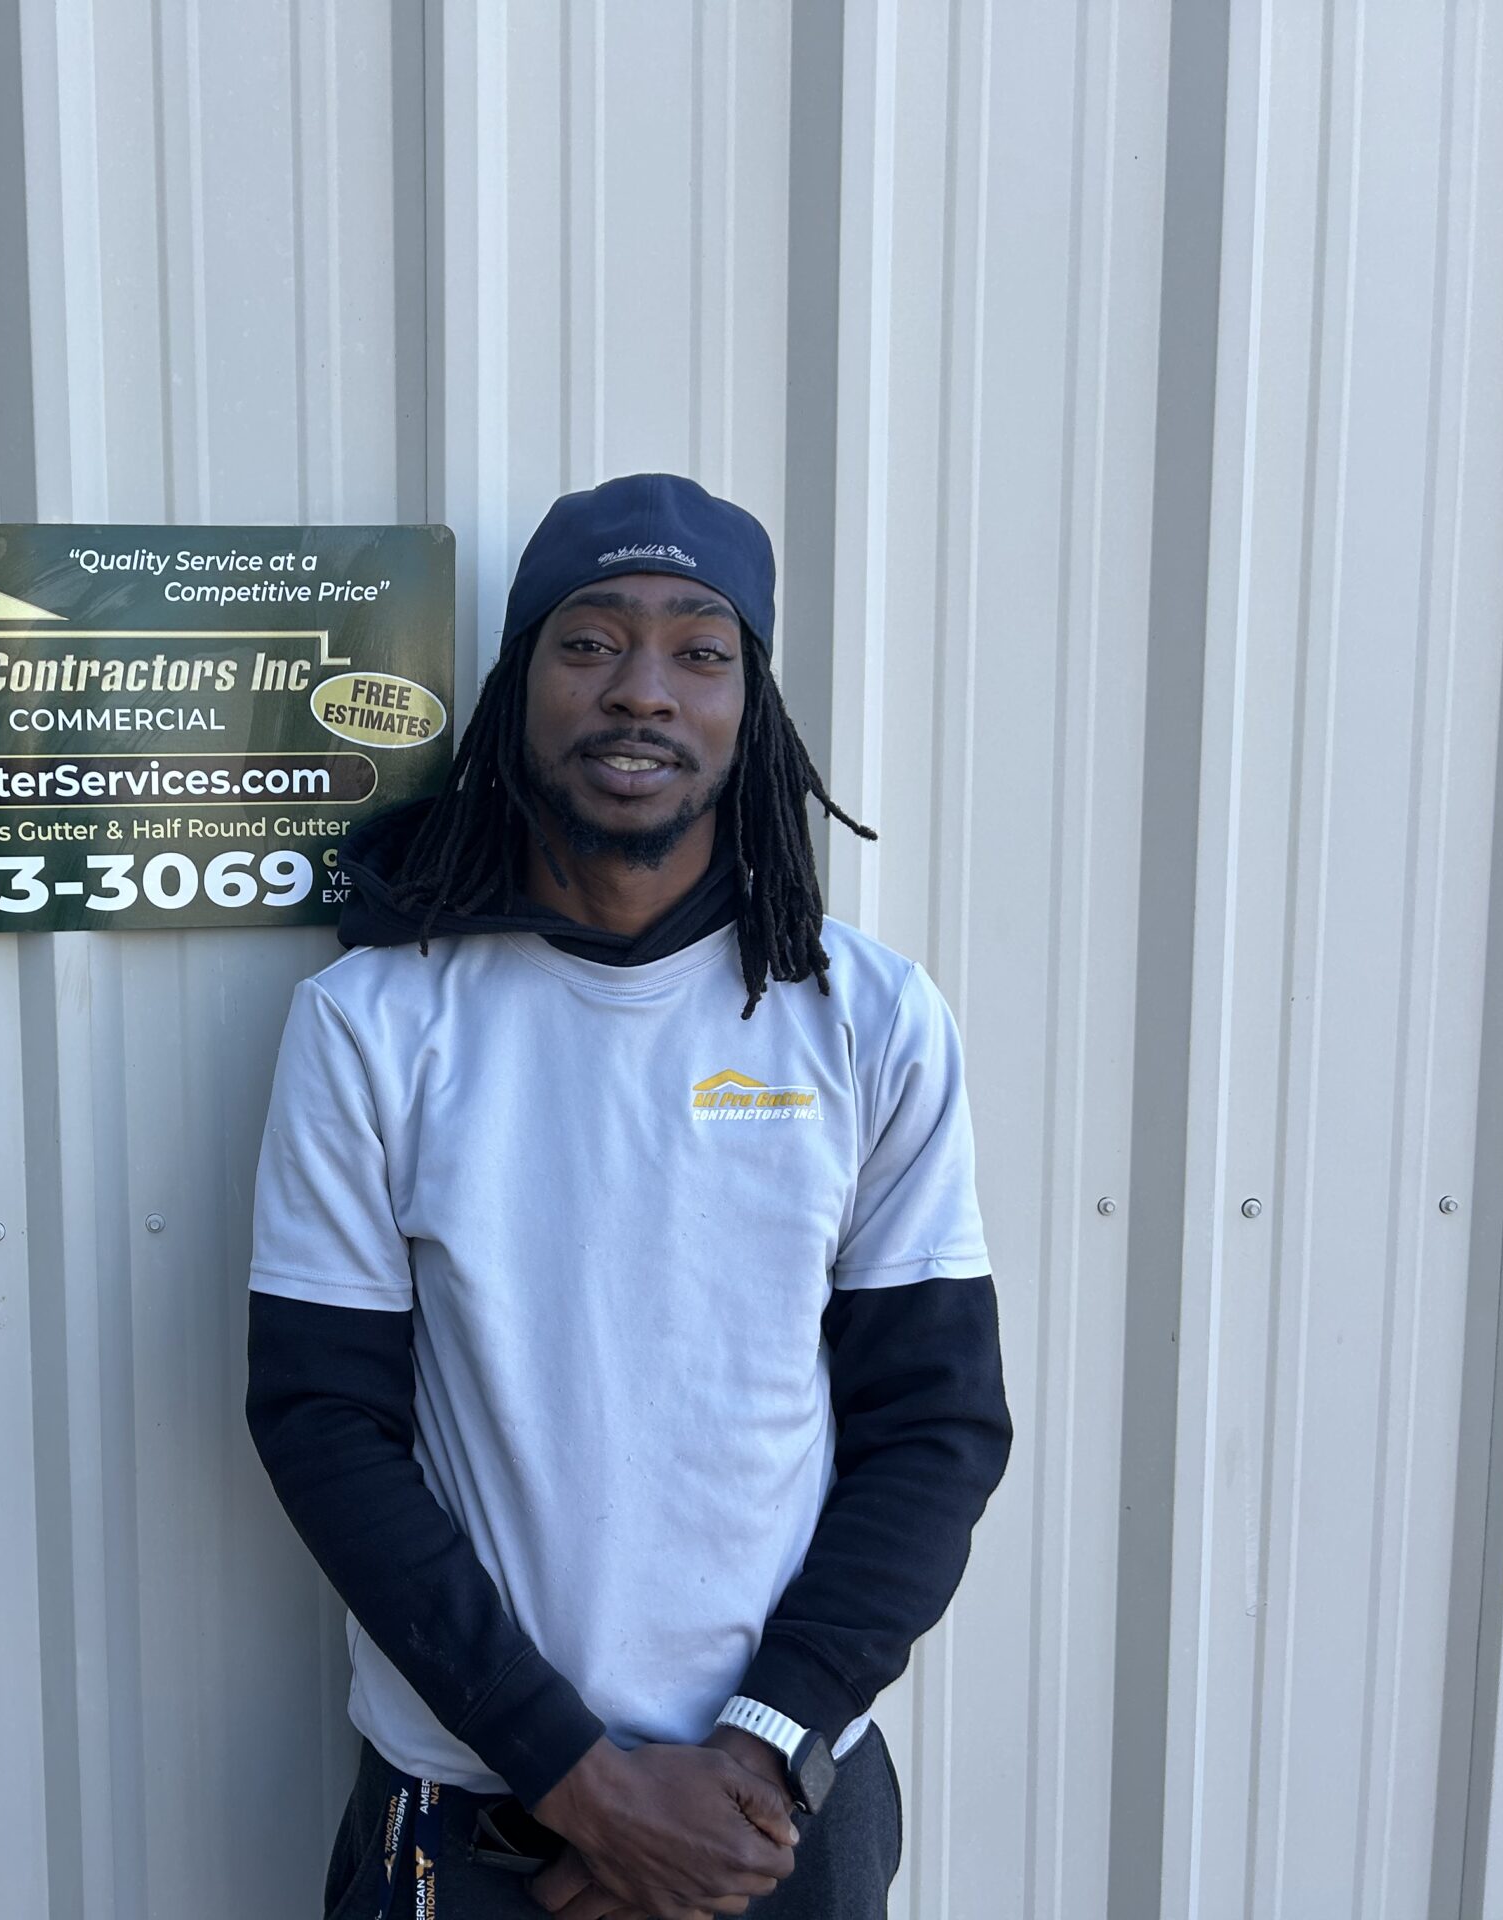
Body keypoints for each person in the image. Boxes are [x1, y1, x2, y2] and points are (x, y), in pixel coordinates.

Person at [245, 473, 1013, 1919]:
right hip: (475, 1816)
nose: (642, 690)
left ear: (751, 703)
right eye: (590, 642)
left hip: (774, 1812)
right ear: (517, 687)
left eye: (698, 649)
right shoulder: (374, 1024)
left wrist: (755, 1757)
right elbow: (322, 1422)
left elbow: (936, 1425)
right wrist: (584, 1788)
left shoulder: (869, 1021)